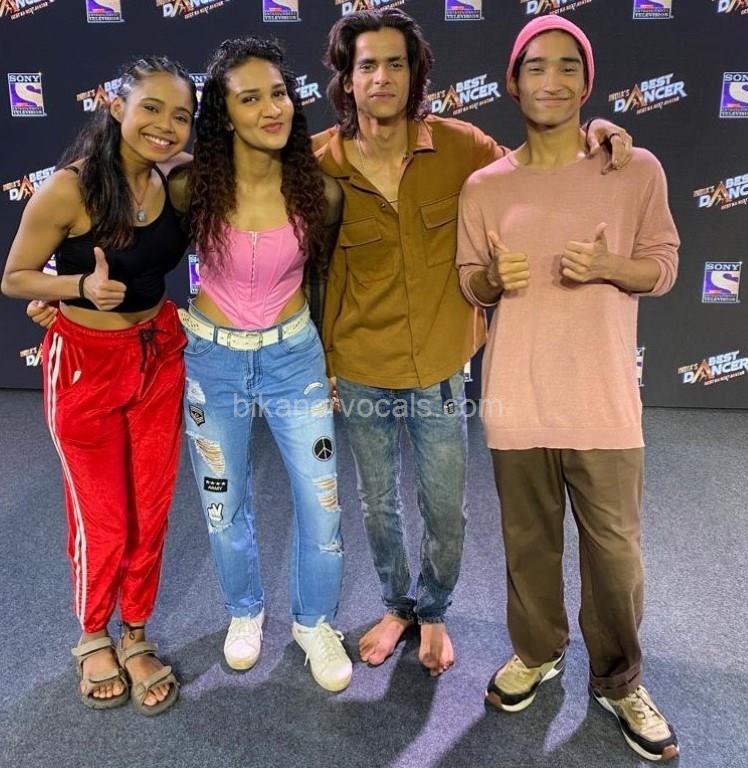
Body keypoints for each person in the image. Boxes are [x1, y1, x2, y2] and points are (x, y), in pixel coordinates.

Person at [315, 7, 632, 676]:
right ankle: (397, 605)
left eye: (396, 63)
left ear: (415, 74)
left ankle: (433, 609)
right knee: (377, 506)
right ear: (346, 78)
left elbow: (541, 161)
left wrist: (597, 131)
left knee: (446, 509)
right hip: (361, 364)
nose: (381, 77)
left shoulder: (461, 147)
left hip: (439, 365)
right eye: (367, 65)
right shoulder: (318, 163)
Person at [456, 16, 679, 761]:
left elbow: (664, 266)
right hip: (516, 400)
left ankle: (619, 681)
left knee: (615, 558)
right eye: (535, 67)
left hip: (604, 404)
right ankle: (538, 651)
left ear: (587, 83)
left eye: (567, 67)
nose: (551, 82)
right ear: (511, 82)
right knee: (528, 548)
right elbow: (469, 280)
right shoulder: (485, 186)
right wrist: (493, 280)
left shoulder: (634, 169)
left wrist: (611, 268)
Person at [1, 57, 197, 715]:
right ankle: (92, 633)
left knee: (151, 506)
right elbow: (16, 276)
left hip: (158, 355)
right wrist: (76, 286)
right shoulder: (69, 189)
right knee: (103, 516)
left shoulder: (177, 177)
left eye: (180, 115)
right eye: (151, 108)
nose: (165, 126)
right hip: (85, 365)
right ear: (117, 107)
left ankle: (135, 631)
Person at [168, 37, 352, 692]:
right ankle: (244, 611)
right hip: (212, 361)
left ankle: (314, 623)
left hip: (293, 359)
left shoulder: (320, 193)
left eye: (278, 94)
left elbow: (323, 279)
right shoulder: (188, 189)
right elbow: (135, 250)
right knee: (224, 505)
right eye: (250, 99)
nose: (271, 108)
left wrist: (328, 360)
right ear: (223, 115)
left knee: (322, 505)